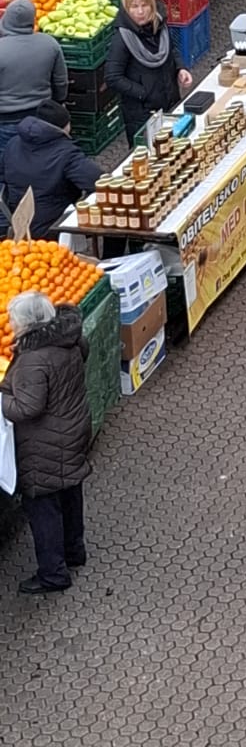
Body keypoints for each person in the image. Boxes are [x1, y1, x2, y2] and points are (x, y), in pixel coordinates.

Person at [1, 290, 93, 593]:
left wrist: (1, 399)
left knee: (43, 508)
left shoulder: (33, 358)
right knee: (70, 492)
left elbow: (27, 408)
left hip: (44, 445)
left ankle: (53, 574)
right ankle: (74, 551)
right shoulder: (70, 339)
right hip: (73, 430)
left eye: (14, 320)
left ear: (27, 323)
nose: (11, 325)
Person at [103, 0, 190, 147]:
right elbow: (112, 77)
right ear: (127, 10)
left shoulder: (160, 27)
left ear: (152, 6)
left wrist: (181, 68)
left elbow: (171, 50)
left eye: (144, 5)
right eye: (134, 7)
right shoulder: (122, 39)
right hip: (142, 112)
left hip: (170, 101)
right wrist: (143, 92)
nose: (140, 11)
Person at [2, 105, 102, 238]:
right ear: (66, 126)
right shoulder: (66, 153)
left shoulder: (13, 143)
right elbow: (98, 183)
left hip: (19, 222)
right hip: (54, 226)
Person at [0, 1, 68, 162]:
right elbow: (61, 81)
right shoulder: (49, 43)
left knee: (8, 163)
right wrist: (59, 101)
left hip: (6, 119)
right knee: (41, 160)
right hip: (40, 116)